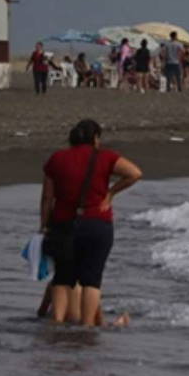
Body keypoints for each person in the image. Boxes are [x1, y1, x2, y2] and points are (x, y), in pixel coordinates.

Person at [38, 119, 142, 326]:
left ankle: (56, 322)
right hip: (97, 222)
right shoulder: (105, 156)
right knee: (92, 280)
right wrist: (111, 193)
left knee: (62, 277)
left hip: (64, 222)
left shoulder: (57, 158)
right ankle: (87, 327)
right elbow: (135, 173)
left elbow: (47, 198)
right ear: (95, 138)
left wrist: (44, 225)